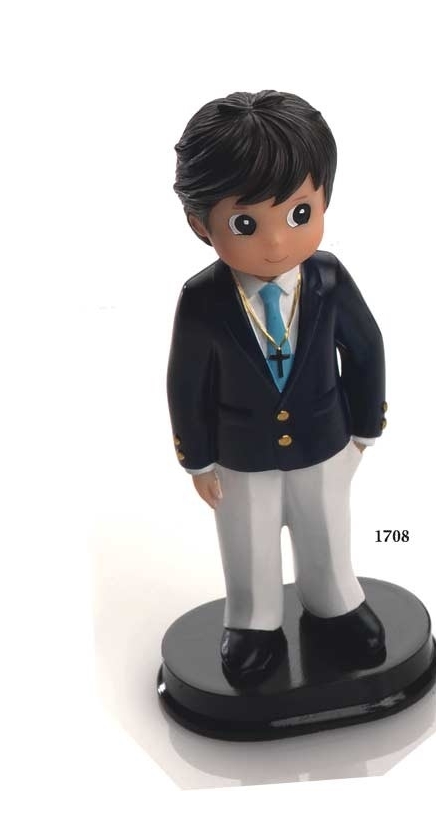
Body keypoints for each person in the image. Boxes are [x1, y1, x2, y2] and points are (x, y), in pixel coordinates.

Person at [167, 90, 389, 687]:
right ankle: (253, 620)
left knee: (326, 529)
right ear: (200, 223)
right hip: (239, 455)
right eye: (245, 224)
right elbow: (185, 384)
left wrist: (363, 430)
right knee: (249, 540)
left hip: (324, 441)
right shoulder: (203, 301)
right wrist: (198, 460)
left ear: (324, 201)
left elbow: (365, 348)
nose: (274, 243)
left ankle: (334, 601)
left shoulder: (329, 280)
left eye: (298, 214)